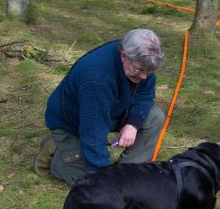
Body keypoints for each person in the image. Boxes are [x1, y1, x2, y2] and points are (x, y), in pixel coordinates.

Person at [34, 28, 166, 186]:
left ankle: (128, 174)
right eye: (138, 70)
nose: (143, 76)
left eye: (149, 72)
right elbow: (94, 135)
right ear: (124, 55)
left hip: (110, 110)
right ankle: (58, 157)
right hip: (72, 123)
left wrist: (132, 124)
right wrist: (105, 181)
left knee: (155, 117)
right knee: (87, 183)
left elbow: (145, 94)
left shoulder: (140, 62)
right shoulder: (97, 79)